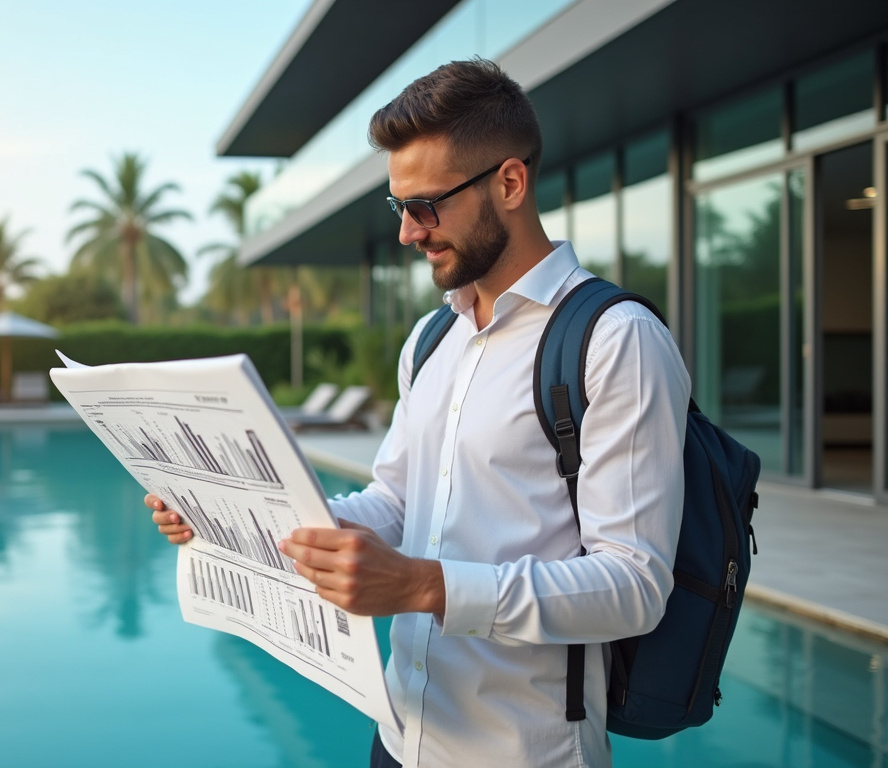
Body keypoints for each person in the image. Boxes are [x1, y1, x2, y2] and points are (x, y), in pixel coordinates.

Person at [146, 57, 690, 768]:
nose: (408, 232)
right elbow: (396, 501)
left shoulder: (615, 341)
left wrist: (423, 586)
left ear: (510, 182)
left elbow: (633, 586)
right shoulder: (432, 338)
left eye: (425, 206)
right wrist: (236, 521)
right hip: (399, 741)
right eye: (398, 208)